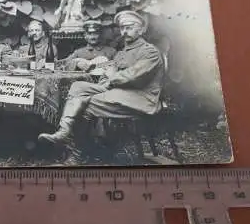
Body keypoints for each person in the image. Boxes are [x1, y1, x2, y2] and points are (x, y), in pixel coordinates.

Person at [37, 10, 165, 164]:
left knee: (87, 104)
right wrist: (105, 79)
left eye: (129, 27)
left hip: (140, 97)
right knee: (78, 87)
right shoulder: (123, 52)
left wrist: (109, 79)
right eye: (122, 28)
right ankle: (64, 130)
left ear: (140, 29)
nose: (125, 32)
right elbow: (110, 70)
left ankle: (77, 154)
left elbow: (131, 75)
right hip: (120, 91)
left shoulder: (149, 51)